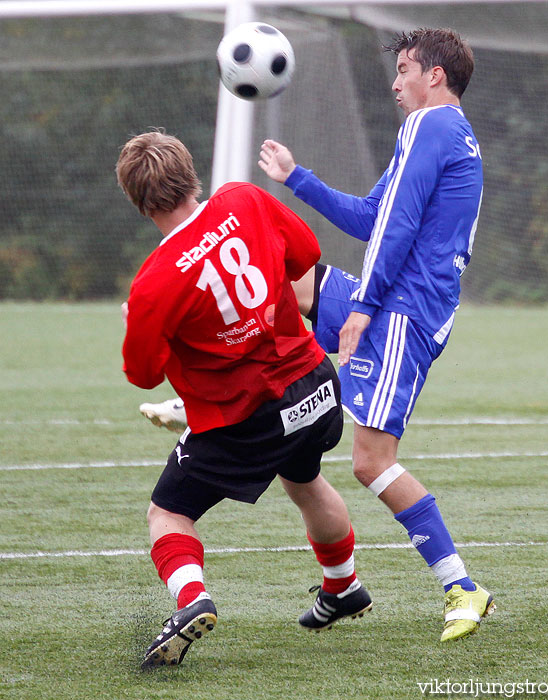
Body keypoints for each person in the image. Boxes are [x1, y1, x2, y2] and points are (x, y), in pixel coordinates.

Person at [257, 26, 495, 643]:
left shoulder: (430, 126)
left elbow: (399, 224)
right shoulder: (442, 135)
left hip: (403, 310)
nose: (395, 83)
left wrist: (363, 303)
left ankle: (461, 586)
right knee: (289, 286)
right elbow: (374, 218)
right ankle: (229, 396)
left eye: (406, 70)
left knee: (371, 462)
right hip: (393, 298)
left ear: (434, 76)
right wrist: (297, 177)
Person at [117, 130, 372, 670]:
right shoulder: (245, 198)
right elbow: (305, 255)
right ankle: (342, 586)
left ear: (139, 203)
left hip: (248, 416)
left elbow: (141, 375)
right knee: (304, 480)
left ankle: (191, 602)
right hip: (316, 386)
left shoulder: (155, 281)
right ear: (190, 174)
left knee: (168, 511)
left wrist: (139, 326)